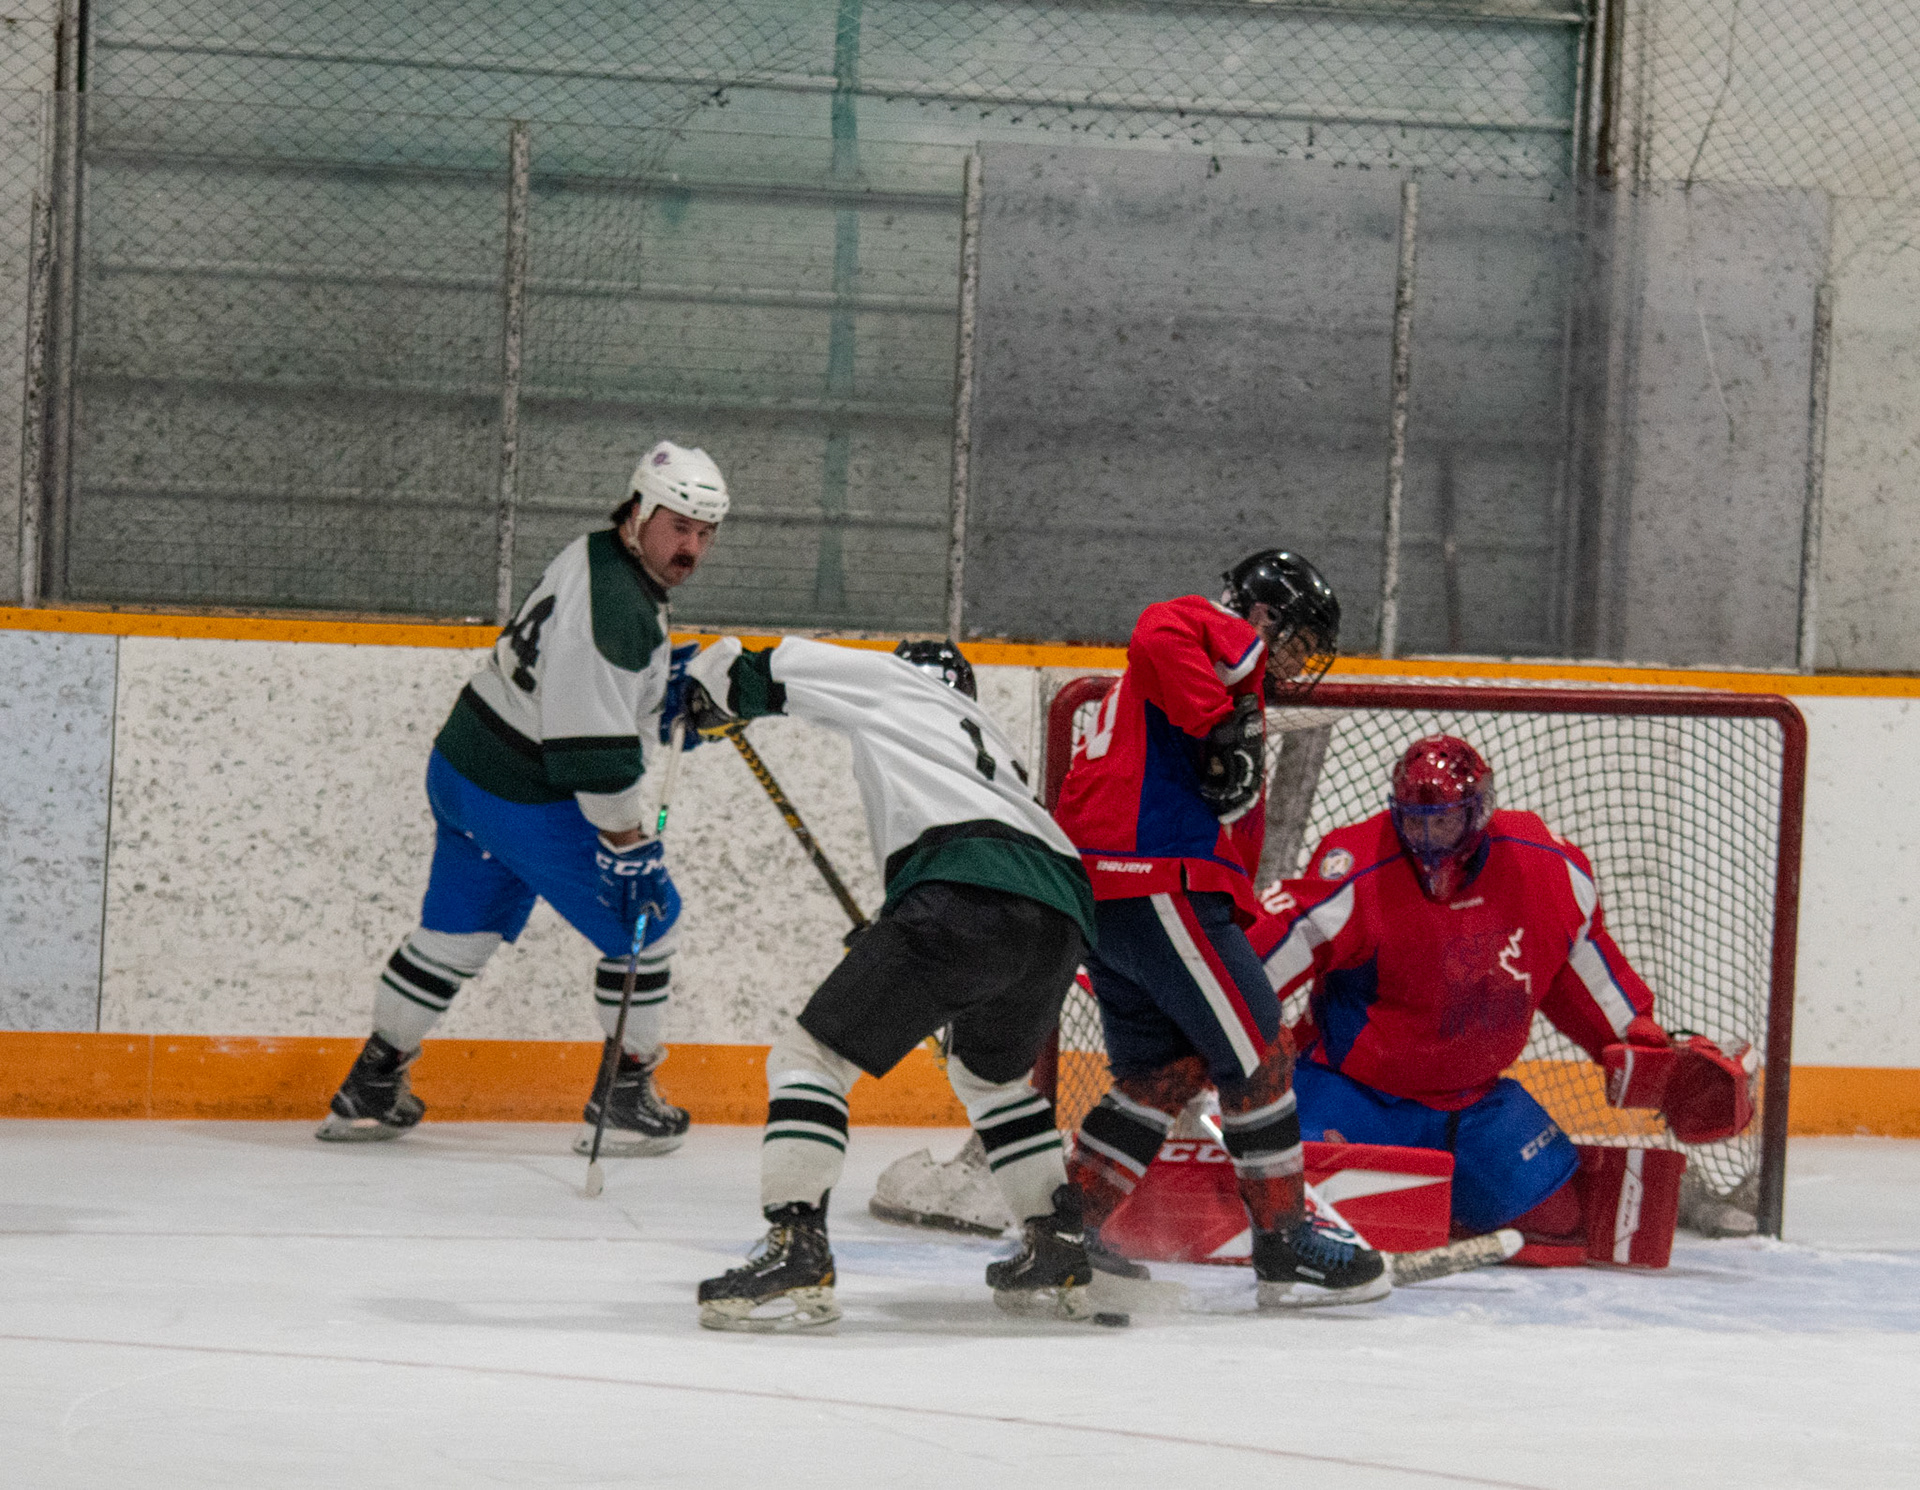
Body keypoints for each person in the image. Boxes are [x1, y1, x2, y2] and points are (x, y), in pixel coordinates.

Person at [316, 441, 729, 1156]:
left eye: (704, 533)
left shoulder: (598, 552)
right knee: (649, 923)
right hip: (523, 795)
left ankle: (371, 1086)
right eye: (678, 527)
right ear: (639, 512)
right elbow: (591, 755)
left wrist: (656, 693)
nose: (690, 547)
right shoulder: (617, 609)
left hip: (465, 769)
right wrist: (626, 844)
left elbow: (580, 686)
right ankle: (624, 1098)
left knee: (457, 935)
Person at [683, 636, 1100, 1331]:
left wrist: (710, 689)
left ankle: (795, 1245)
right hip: (1060, 916)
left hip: (961, 893)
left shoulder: (896, 683)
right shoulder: (988, 739)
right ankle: (1056, 1246)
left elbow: (766, 667)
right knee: (991, 1081)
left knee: (809, 1059)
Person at [1051, 550, 1390, 1308]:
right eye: (1298, 640)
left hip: (1113, 895)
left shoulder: (1198, 678)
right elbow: (1158, 624)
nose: (1299, 660)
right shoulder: (1209, 633)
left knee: (1160, 1075)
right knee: (1262, 1052)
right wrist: (1220, 723)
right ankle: (1284, 1242)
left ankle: (1067, 1237)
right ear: (1262, 616)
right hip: (1156, 881)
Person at [1250, 734, 1678, 1265]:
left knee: (1560, 1224)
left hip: (1474, 1102)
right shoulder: (1357, 868)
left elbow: (1583, 977)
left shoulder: (1546, 868)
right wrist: (1208, 1025)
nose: (1428, 838)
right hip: (1353, 1092)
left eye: (1445, 822)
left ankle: (1440, 1208)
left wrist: (1642, 1043)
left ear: (1478, 813)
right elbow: (1266, 955)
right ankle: (1423, 1208)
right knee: (1294, 1207)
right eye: (1415, 822)